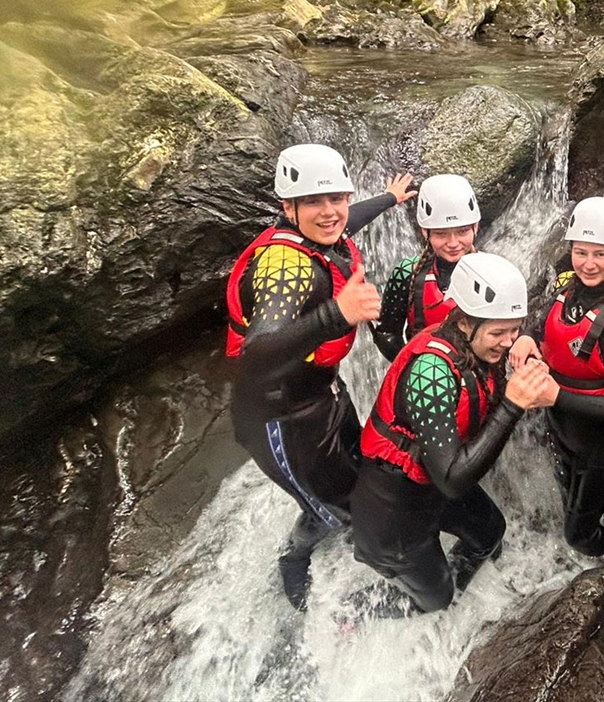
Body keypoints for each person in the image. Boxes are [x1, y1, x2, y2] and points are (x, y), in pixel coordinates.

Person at [225, 143, 416, 610]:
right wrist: (338, 313)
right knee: (333, 509)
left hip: (322, 392)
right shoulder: (285, 267)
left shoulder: (320, 233)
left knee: (357, 472)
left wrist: (388, 198)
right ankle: (295, 555)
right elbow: (255, 359)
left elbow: (342, 223)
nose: (330, 212)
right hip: (278, 418)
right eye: (314, 201)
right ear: (287, 208)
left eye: (338, 197)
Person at [352, 253, 557, 614]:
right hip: (394, 505)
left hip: (430, 483)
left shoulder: (475, 346)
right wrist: (512, 404)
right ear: (464, 322)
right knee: (436, 599)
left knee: (490, 532)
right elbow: (452, 481)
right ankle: (357, 611)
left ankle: (450, 587)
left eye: (515, 329)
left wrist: (524, 341)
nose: (508, 343)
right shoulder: (431, 372)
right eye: (498, 333)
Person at [510, 196, 604, 569]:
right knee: (569, 503)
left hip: (600, 443)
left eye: (600, 254)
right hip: (559, 428)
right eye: (581, 252)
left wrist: (557, 395)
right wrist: (526, 335)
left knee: (578, 532)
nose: (589, 264)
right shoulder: (563, 283)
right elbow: (541, 323)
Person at [373, 174, 482, 362]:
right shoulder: (407, 273)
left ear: (476, 227)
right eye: (441, 234)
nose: (453, 243)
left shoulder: (493, 273)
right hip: (424, 378)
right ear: (425, 232)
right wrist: (410, 368)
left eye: (462, 231)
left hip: (477, 379)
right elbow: (387, 334)